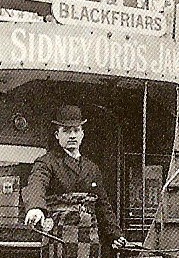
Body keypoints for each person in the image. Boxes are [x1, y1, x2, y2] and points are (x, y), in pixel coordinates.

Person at [23, 104, 128, 250]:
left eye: (76, 130)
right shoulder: (47, 162)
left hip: (88, 238)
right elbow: (37, 182)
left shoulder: (92, 168)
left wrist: (115, 235)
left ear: (82, 134)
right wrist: (35, 208)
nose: (72, 135)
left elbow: (102, 205)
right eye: (66, 131)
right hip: (58, 236)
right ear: (57, 135)